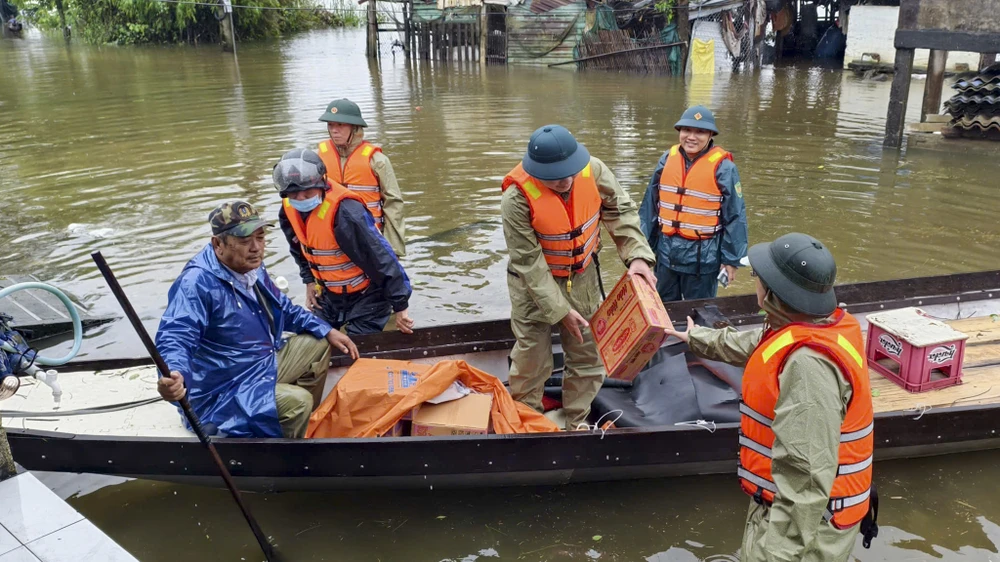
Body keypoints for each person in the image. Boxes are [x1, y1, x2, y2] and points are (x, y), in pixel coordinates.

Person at [663, 233, 877, 561]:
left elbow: (805, 479)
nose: (755, 285)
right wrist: (698, 338)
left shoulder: (808, 368)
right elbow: (754, 345)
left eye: (758, 279)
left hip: (807, 528)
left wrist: (778, 554)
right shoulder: (816, 325)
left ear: (776, 294)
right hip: (792, 511)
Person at [155, 201, 359, 439]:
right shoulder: (196, 283)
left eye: (260, 238)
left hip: (259, 365)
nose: (256, 248)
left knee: (318, 342)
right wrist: (175, 374)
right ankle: (281, 453)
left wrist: (327, 330)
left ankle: (294, 426)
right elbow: (175, 336)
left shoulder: (252, 268)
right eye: (244, 241)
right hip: (223, 391)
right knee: (298, 402)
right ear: (218, 244)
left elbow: (285, 309)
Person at [502, 125, 657, 431]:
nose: (566, 180)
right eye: (557, 176)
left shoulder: (593, 171)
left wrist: (637, 255)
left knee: (588, 356)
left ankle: (576, 422)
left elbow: (620, 210)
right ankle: (529, 422)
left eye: (570, 172)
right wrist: (560, 311)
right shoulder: (516, 199)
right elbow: (528, 262)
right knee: (532, 360)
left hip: (582, 278)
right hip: (531, 288)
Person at [275, 148, 414, 336]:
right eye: (293, 195)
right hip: (330, 296)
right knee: (312, 339)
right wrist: (309, 281)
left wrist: (400, 306)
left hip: (367, 295)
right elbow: (299, 249)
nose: (300, 199)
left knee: (358, 346)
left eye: (307, 194)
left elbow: (380, 256)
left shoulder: (346, 212)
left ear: (322, 183)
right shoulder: (289, 209)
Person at [639, 105, 749, 303]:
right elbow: (650, 206)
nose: (691, 137)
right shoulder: (666, 160)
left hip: (703, 259)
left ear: (710, 135)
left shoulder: (725, 168)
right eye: (686, 130)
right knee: (664, 307)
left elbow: (735, 215)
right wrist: (642, 251)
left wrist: (731, 260)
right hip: (666, 254)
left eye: (700, 132)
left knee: (701, 311)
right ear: (679, 132)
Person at [317, 98, 406, 257]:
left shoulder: (377, 161)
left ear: (355, 127)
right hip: (332, 238)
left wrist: (393, 250)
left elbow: (393, 204)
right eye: (330, 125)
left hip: (369, 237)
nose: (334, 130)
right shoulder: (319, 159)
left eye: (341, 125)